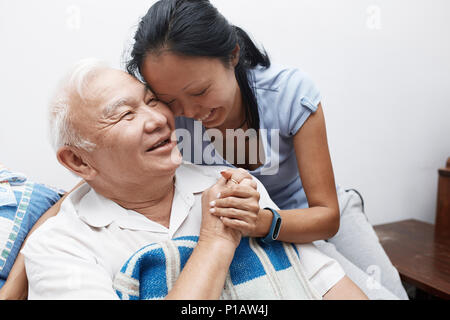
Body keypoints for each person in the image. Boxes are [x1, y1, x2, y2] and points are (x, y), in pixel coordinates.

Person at [11, 60, 367, 299]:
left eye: (153, 101)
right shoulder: (59, 247)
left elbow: (326, 284)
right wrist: (215, 242)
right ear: (77, 160)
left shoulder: (233, 186)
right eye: (125, 115)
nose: (158, 120)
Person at [125, 0, 408, 300]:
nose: (190, 111)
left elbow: (327, 216)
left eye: (199, 92)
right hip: (257, 227)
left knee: (390, 293)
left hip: (313, 213)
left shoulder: (289, 94)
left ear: (233, 55)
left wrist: (264, 221)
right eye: (170, 100)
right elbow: (112, 154)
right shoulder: (167, 119)